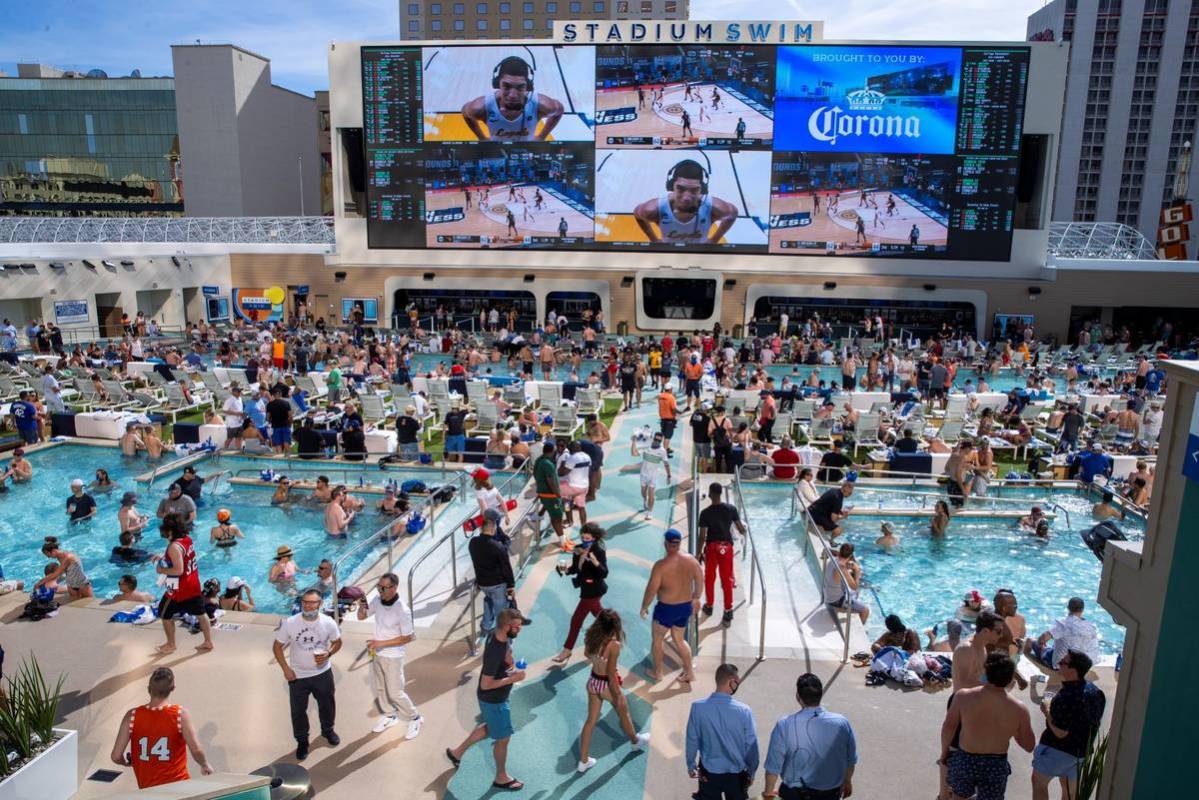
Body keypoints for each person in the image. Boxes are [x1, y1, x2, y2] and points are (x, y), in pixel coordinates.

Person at [445, 607, 527, 791]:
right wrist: (513, 678)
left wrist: (510, 664)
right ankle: (501, 777)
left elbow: (505, 654)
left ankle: (457, 753)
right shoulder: (495, 651)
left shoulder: (496, 634)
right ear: (506, 626)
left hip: (493, 699)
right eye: (517, 627)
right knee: (503, 738)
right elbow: (486, 684)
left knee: (490, 728)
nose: (519, 629)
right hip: (494, 700)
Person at [940, 654, 1035, 800]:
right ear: (1010, 679)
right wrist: (1014, 729)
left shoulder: (963, 696)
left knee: (958, 797)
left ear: (986, 672)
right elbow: (1029, 746)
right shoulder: (1019, 709)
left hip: (966, 759)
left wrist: (945, 752)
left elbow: (949, 728)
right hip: (995, 763)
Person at [574, 609, 651, 773]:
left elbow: (587, 654)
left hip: (592, 681)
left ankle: (583, 761)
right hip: (606, 685)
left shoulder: (591, 637)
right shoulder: (613, 645)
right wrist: (617, 694)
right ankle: (635, 741)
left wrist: (598, 660)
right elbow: (610, 673)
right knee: (624, 713)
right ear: (614, 626)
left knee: (590, 721)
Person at [110, 667, 213, 789]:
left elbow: (116, 756)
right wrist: (204, 764)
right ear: (173, 689)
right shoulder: (180, 714)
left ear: (149, 689)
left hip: (148, 791)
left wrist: (127, 763)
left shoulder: (132, 716)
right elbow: (196, 750)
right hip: (179, 788)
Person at [763, 673, 857, 800]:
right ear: (820, 694)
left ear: (798, 697)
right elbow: (851, 759)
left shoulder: (784, 725)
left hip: (795, 793)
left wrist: (768, 792)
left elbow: (773, 767)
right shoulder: (842, 722)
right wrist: (847, 781)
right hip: (831, 793)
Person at [273, 589, 342, 761]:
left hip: (322, 673)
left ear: (320, 604)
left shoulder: (328, 622)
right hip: (298, 676)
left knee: (327, 705)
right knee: (298, 712)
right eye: (305, 602)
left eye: (312, 602)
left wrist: (329, 653)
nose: (308, 605)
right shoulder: (290, 623)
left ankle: (328, 731)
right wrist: (285, 669)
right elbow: (277, 647)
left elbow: (337, 642)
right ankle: (302, 741)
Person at [1031, 650, 1106, 800]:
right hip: (1081, 752)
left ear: (1073, 670)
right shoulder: (1096, 692)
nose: (1058, 663)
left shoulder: (1066, 696)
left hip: (1058, 750)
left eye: (1063, 662)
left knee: (1039, 783)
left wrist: (1047, 711)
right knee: (1069, 793)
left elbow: (1060, 732)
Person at [356, 572, 423, 738]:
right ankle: (389, 715)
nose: (380, 591)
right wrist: (361, 605)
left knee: (395, 692)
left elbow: (408, 637)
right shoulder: (377, 600)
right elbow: (362, 617)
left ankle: (415, 717)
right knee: (380, 688)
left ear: (394, 587)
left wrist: (381, 643)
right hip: (377, 653)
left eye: (384, 588)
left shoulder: (402, 610)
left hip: (393, 656)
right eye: (379, 587)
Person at [685, 663, 760, 800]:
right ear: (731, 682)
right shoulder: (744, 711)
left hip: (709, 772)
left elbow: (692, 739)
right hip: (736, 775)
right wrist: (751, 771)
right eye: (737, 682)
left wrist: (691, 764)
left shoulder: (697, 708)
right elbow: (752, 745)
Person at [640, 529, 703, 683]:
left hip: (666, 610)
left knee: (658, 639)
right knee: (679, 639)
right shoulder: (691, 560)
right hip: (684, 608)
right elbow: (700, 580)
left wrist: (644, 606)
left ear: (666, 544)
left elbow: (651, 589)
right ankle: (689, 673)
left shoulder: (661, 566)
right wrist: (696, 598)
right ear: (679, 543)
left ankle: (658, 673)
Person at [155, 515, 214, 654]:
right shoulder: (187, 539)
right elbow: (184, 559)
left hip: (178, 588)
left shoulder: (173, 547)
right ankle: (208, 641)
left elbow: (178, 570)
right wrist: (164, 558)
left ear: (169, 531)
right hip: (193, 584)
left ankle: (171, 644)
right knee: (201, 613)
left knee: (164, 614)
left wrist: (160, 569)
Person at [552, 522, 609, 664]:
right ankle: (611, 631)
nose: (584, 540)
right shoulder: (577, 549)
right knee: (600, 615)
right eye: (583, 537)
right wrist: (565, 570)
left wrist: (595, 562)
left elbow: (604, 573)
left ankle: (567, 650)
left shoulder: (599, 552)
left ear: (594, 538)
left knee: (576, 620)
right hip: (585, 588)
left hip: (594, 590)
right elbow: (576, 568)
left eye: (587, 538)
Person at [697, 483, 746, 626]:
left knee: (710, 577)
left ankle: (709, 606)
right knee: (727, 580)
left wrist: (698, 553)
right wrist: (744, 532)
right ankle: (728, 611)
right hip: (726, 548)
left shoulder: (705, 513)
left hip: (712, 548)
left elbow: (702, 537)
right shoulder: (731, 509)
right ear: (721, 494)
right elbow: (740, 528)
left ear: (711, 494)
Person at [470, 508, 521, 637]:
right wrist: (511, 586)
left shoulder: (473, 543)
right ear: (493, 530)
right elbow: (506, 568)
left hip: (482, 583)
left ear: (481, 529)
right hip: (497, 584)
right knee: (501, 612)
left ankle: (485, 628)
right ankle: (504, 639)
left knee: (488, 600)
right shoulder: (498, 547)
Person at [1025, 597, 1101, 670]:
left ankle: (1024, 664)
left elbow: (1043, 638)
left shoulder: (1064, 624)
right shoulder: (1091, 627)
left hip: (1060, 665)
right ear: (1082, 609)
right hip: (1079, 667)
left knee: (1029, 640)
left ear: (1068, 608)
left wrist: (1041, 643)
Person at [534, 441, 573, 551]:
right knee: (557, 518)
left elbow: (535, 474)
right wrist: (559, 495)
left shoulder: (539, 460)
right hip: (551, 496)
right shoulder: (548, 464)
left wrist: (540, 485)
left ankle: (563, 538)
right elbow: (551, 481)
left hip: (544, 494)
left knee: (557, 517)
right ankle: (563, 542)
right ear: (552, 451)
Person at [822, 542, 868, 624]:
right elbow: (854, 586)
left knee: (855, 593)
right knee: (865, 610)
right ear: (850, 555)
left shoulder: (834, 558)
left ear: (840, 551)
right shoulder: (842, 569)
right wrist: (857, 572)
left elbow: (827, 549)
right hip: (835, 601)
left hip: (827, 593)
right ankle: (858, 630)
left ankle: (851, 605)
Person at [632, 429, 672, 521]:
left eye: (659, 440)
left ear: (661, 441)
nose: (657, 441)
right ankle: (644, 500)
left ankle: (649, 513)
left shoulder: (662, 451)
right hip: (643, 474)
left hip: (653, 476)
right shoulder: (646, 446)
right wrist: (633, 442)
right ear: (653, 438)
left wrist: (669, 476)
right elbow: (634, 454)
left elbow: (666, 464)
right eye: (656, 439)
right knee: (643, 492)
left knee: (651, 495)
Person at [558, 440, 592, 529]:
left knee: (566, 501)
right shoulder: (587, 456)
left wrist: (561, 465)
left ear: (571, 449)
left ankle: (569, 521)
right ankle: (584, 526)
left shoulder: (572, 458)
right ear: (580, 447)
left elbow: (562, 473)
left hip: (573, 487)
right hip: (584, 486)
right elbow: (589, 470)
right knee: (581, 507)